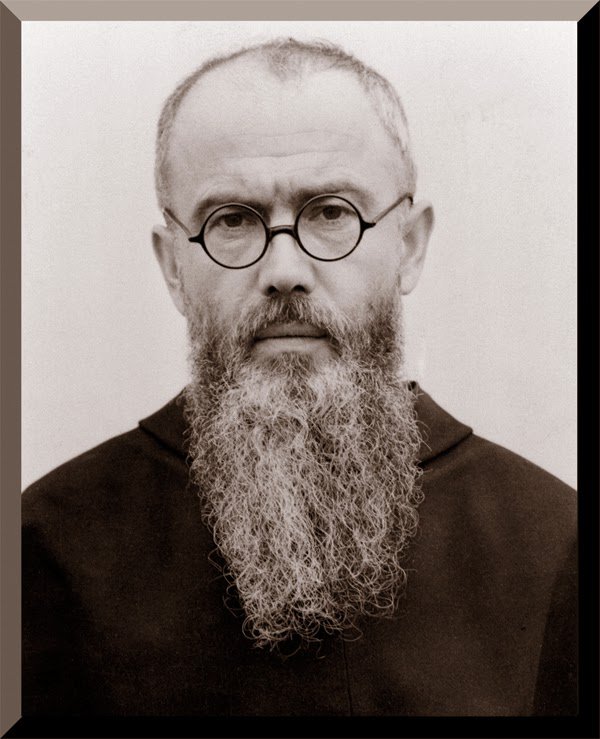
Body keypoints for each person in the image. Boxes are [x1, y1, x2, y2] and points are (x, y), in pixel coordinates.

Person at [22, 38, 576, 717]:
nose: (284, 270)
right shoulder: (42, 551)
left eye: (331, 212)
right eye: (232, 219)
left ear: (408, 246)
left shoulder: (557, 547)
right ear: (172, 267)